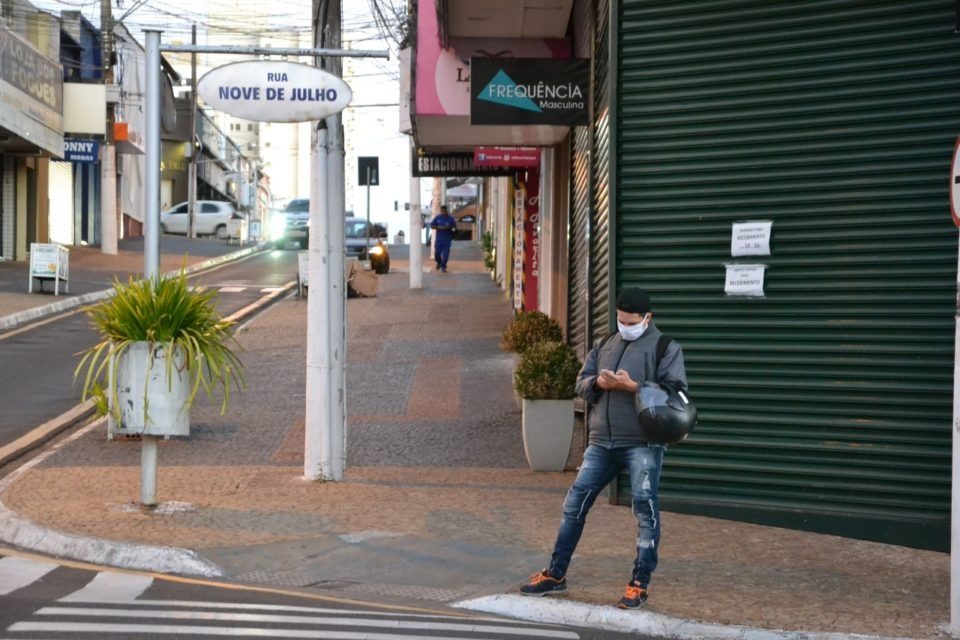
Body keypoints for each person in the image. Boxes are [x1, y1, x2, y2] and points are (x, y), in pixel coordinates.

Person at [519, 288, 688, 609]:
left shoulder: (666, 347)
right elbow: (581, 382)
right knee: (574, 505)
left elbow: (677, 394)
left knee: (645, 511)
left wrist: (634, 387)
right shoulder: (605, 344)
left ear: (647, 318)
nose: (624, 325)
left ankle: (639, 583)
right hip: (601, 442)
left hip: (643, 443)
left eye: (631, 321)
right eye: (620, 320)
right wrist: (598, 383)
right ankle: (556, 574)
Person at [429, 205, 457, 272]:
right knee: (437, 253)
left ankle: (443, 266)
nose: (443, 212)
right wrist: (439, 227)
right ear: (441, 211)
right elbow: (432, 226)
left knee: (446, 254)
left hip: (447, 238)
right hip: (439, 239)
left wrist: (449, 228)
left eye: (444, 211)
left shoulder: (450, 218)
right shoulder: (438, 218)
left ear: (446, 210)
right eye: (442, 211)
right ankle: (439, 262)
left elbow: (454, 227)